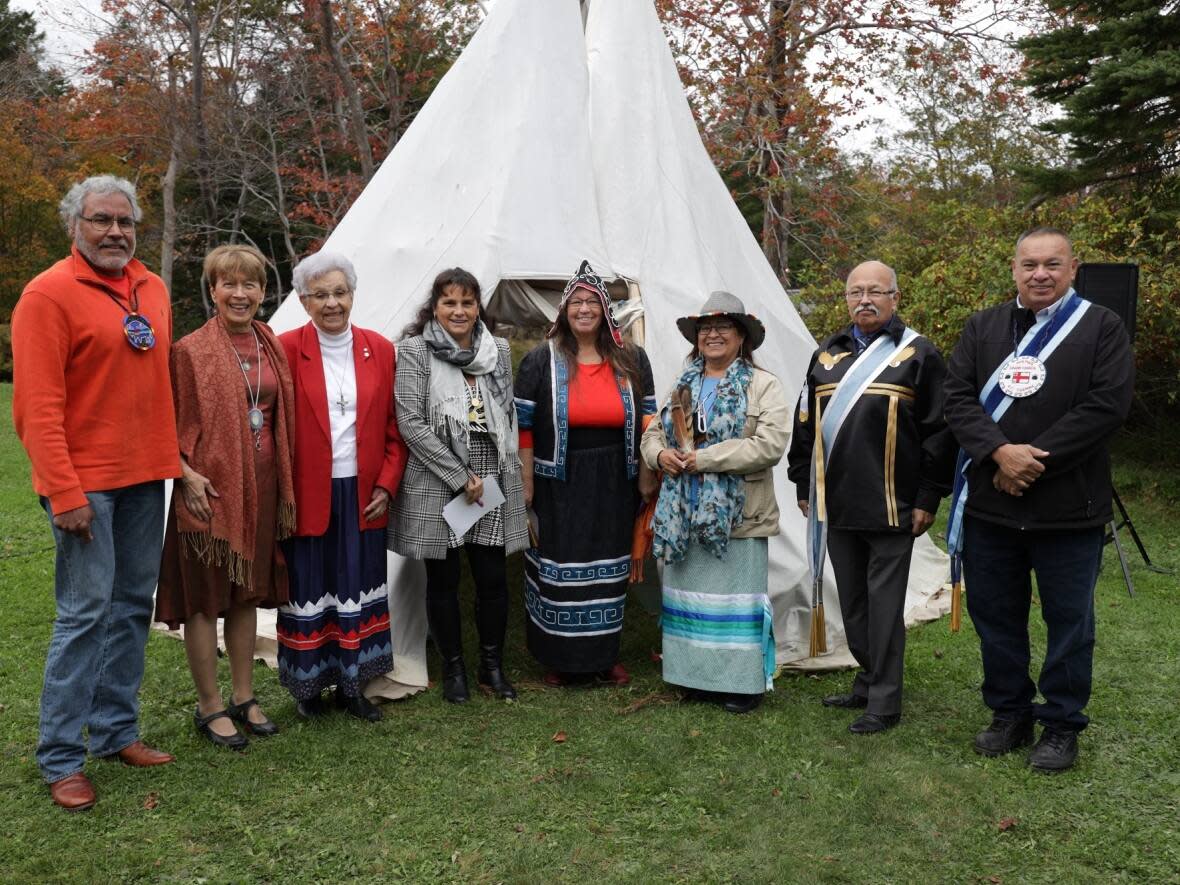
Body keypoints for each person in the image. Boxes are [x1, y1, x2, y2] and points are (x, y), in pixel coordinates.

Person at [12, 175, 180, 811]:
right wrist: (64, 491)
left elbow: (158, 383)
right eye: (100, 220)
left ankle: (115, 732)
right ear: (74, 227)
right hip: (86, 486)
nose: (115, 231)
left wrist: (177, 465)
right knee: (84, 614)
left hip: (143, 478)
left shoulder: (152, 288)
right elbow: (35, 407)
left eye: (125, 221)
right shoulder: (47, 295)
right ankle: (60, 757)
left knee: (133, 603)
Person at [943, 227, 1133, 772]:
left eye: (1052, 264)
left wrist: (1029, 464)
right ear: (1014, 269)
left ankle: (1060, 725)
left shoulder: (1102, 327)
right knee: (995, 615)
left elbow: (1106, 407)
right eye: (1030, 264)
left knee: (1070, 621)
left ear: (1073, 269)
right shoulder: (983, 327)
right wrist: (998, 454)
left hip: (1068, 508)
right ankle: (1009, 713)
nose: (1040, 274)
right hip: (992, 505)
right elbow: (956, 398)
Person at [786, 261, 955, 734]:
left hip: (893, 503)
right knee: (855, 601)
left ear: (895, 298)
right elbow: (806, 425)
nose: (865, 299)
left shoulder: (918, 355)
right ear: (845, 299)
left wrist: (927, 495)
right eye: (856, 291)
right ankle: (868, 678)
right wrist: (804, 482)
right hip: (835, 503)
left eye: (876, 291)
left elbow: (940, 434)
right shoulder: (825, 357)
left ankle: (885, 699)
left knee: (883, 605)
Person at [155, 244, 296, 750]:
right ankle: (209, 704)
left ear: (263, 291)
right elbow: (164, 423)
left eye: (250, 284)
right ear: (212, 290)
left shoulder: (270, 343)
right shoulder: (189, 351)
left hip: (261, 489)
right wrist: (186, 475)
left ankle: (243, 695)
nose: (241, 294)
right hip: (207, 492)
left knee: (246, 596)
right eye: (229, 284)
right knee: (203, 601)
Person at [640, 291, 789, 714]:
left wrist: (703, 460)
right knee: (690, 599)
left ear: (741, 337)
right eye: (706, 328)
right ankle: (694, 678)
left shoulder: (763, 385)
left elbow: (770, 444)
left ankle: (740, 685)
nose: (713, 334)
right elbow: (654, 433)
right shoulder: (684, 383)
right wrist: (660, 456)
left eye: (723, 327)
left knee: (734, 602)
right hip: (684, 512)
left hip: (737, 515)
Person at [276, 251, 409, 722]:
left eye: (340, 292)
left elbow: (396, 428)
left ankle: (353, 684)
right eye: (320, 295)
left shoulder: (380, 348)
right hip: (309, 491)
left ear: (352, 294)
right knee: (310, 587)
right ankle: (308, 687)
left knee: (357, 585)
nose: (332, 303)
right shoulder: (285, 348)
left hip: (363, 493)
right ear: (303, 300)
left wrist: (388, 485)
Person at [514, 261, 657, 686]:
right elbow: (523, 425)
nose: (583, 309)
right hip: (559, 479)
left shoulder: (631, 359)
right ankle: (560, 658)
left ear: (605, 311)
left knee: (609, 566)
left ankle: (603, 656)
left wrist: (647, 473)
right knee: (559, 565)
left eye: (592, 301)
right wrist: (525, 479)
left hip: (616, 475)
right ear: (563, 311)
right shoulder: (542, 360)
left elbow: (649, 417)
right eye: (575, 302)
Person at [388, 268, 528, 703]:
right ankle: (453, 670)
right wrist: (456, 475)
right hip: (437, 476)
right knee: (443, 579)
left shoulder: (497, 351)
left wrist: (495, 475)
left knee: (491, 577)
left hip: (489, 472)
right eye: (449, 302)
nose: (459, 311)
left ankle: (491, 667)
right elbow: (410, 422)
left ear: (478, 307)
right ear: (435, 307)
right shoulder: (413, 351)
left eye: (467, 302)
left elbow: (507, 416)